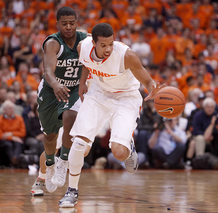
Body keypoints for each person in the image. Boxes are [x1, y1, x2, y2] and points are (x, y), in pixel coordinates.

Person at [59, 23, 163, 208]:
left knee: (118, 152)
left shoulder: (126, 55)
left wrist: (152, 86)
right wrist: (83, 82)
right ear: (93, 42)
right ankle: (71, 191)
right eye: (103, 45)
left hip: (126, 97)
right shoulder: (83, 46)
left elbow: (145, 78)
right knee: (80, 144)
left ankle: (128, 146)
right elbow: (85, 63)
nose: (108, 49)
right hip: (98, 93)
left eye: (110, 44)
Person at [34, 7, 91, 195]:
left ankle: (63, 162)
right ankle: (50, 163)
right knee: (50, 137)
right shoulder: (52, 43)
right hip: (51, 91)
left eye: (72, 23)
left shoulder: (86, 40)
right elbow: (48, 71)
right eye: (64, 23)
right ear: (57, 24)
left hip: (74, 89)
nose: (68, 26)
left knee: (70, 119)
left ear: (77, 22)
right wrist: (56, 84)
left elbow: (104, 43)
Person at [0, 100, 26, 167]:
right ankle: (13, 161)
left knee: (18, 143)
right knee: (8, 145)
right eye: (10, 108)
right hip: (5, 140)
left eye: (12, 108)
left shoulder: (19, 118)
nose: (12, 110)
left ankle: (14, 159)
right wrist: (12, 138)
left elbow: (23, 133)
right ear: (5, 110)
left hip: (17, 138)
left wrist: (11, 134)